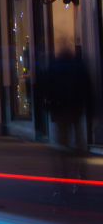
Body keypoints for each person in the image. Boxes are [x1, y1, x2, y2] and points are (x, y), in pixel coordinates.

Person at [39, 50, 94, 180]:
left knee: (63, 139)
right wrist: (89, 107)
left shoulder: (55, 67)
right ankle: (80, 167)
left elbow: (47, 88)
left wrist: (49, 106)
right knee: (79, 139)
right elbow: (87, 87)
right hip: (76, 108)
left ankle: (64, 168)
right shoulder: (77, 65)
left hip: (60, 108)